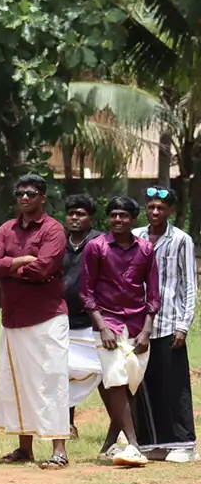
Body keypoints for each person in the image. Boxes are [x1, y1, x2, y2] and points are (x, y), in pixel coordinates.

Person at [0, 175, 71, 468]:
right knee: (17, 384)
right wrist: (21, 262)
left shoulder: (53, 229)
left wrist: (9, 266)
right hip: (13, 317)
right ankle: (25, 449)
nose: (25, 198)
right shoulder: (5, 229)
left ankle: (59, 449)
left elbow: (44, 267)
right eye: (21, 193)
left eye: (31, 193)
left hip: (47, 316)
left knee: (52, 381)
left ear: (43, 198)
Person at [82, 195, 159, 467]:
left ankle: (109, 444)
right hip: (108, 324)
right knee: (115, 379)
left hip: (138, 325)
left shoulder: (146, 250)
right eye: (113, 214)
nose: (118, 219)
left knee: (131, 384)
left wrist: (147, 331)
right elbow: (87, 293)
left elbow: (153, 295)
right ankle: (134, 446)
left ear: (133, 219)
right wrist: (102, 327)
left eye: (123, 215)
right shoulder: (96, 247)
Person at [132, 186, 196, 462]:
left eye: (161, 208)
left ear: (170, 210)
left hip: (169, 323)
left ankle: (184, 443)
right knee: (144, 386)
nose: (155, 212)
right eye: (151, 207)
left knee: (174, 386)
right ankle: (152, 442)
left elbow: (189, 286)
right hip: (138, 325)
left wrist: (184, 325)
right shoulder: (135, 237)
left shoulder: (181, 240)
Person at [63, 195, 103, 429]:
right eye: (71, 213)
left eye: (81, 214)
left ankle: (118, 430)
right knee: (63, 372)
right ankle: (67, 425)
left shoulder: (100, 243)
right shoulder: (59, 242)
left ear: (91, 218)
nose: (75, 218)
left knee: (103, 375)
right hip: (62, 320)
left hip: (93, 322)